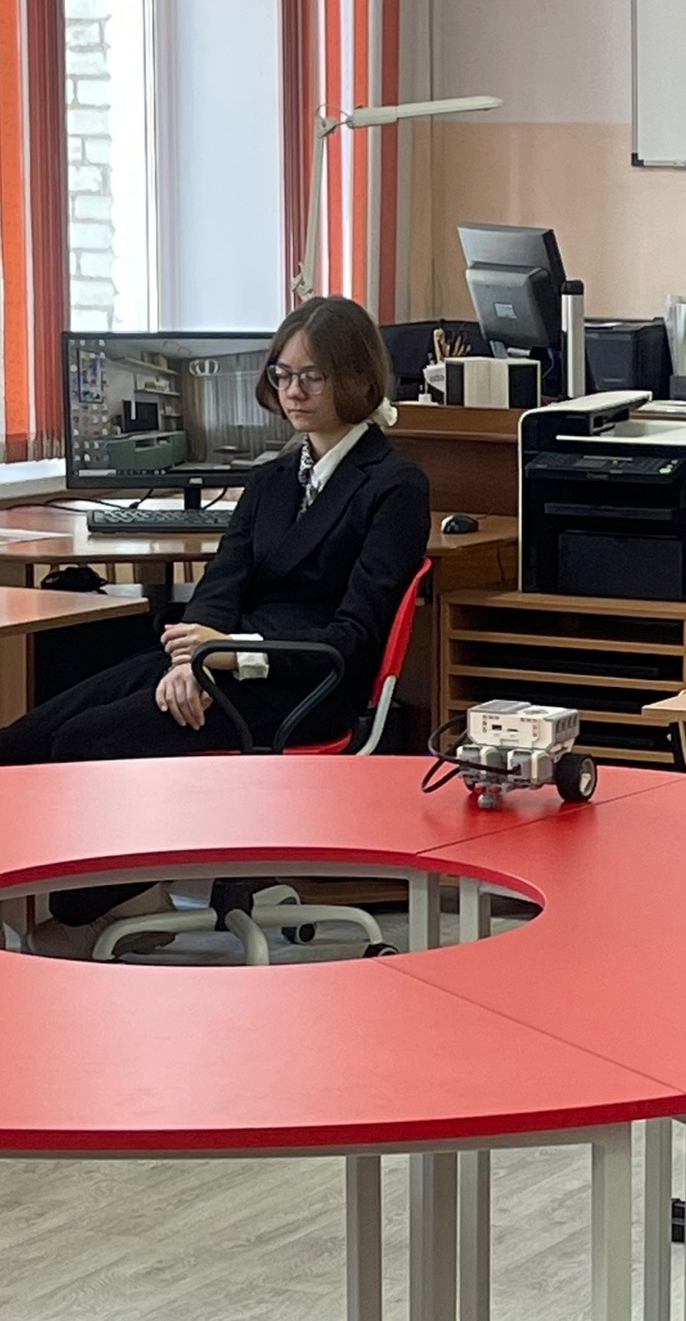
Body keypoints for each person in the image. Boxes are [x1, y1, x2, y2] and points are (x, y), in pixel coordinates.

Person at [0, 295, 431, 957]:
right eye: (282, 375)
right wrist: (189, 664)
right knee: (25, 739)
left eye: (311, 376)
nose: (292, 392)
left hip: (304, 684)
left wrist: (229, 656)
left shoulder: (394, 485)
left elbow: (356, 635)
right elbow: (220, 586)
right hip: (219, 665)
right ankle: (115, 898)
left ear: (358, 380)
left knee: (88, 741)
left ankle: (95, 909)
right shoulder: (273, 478)